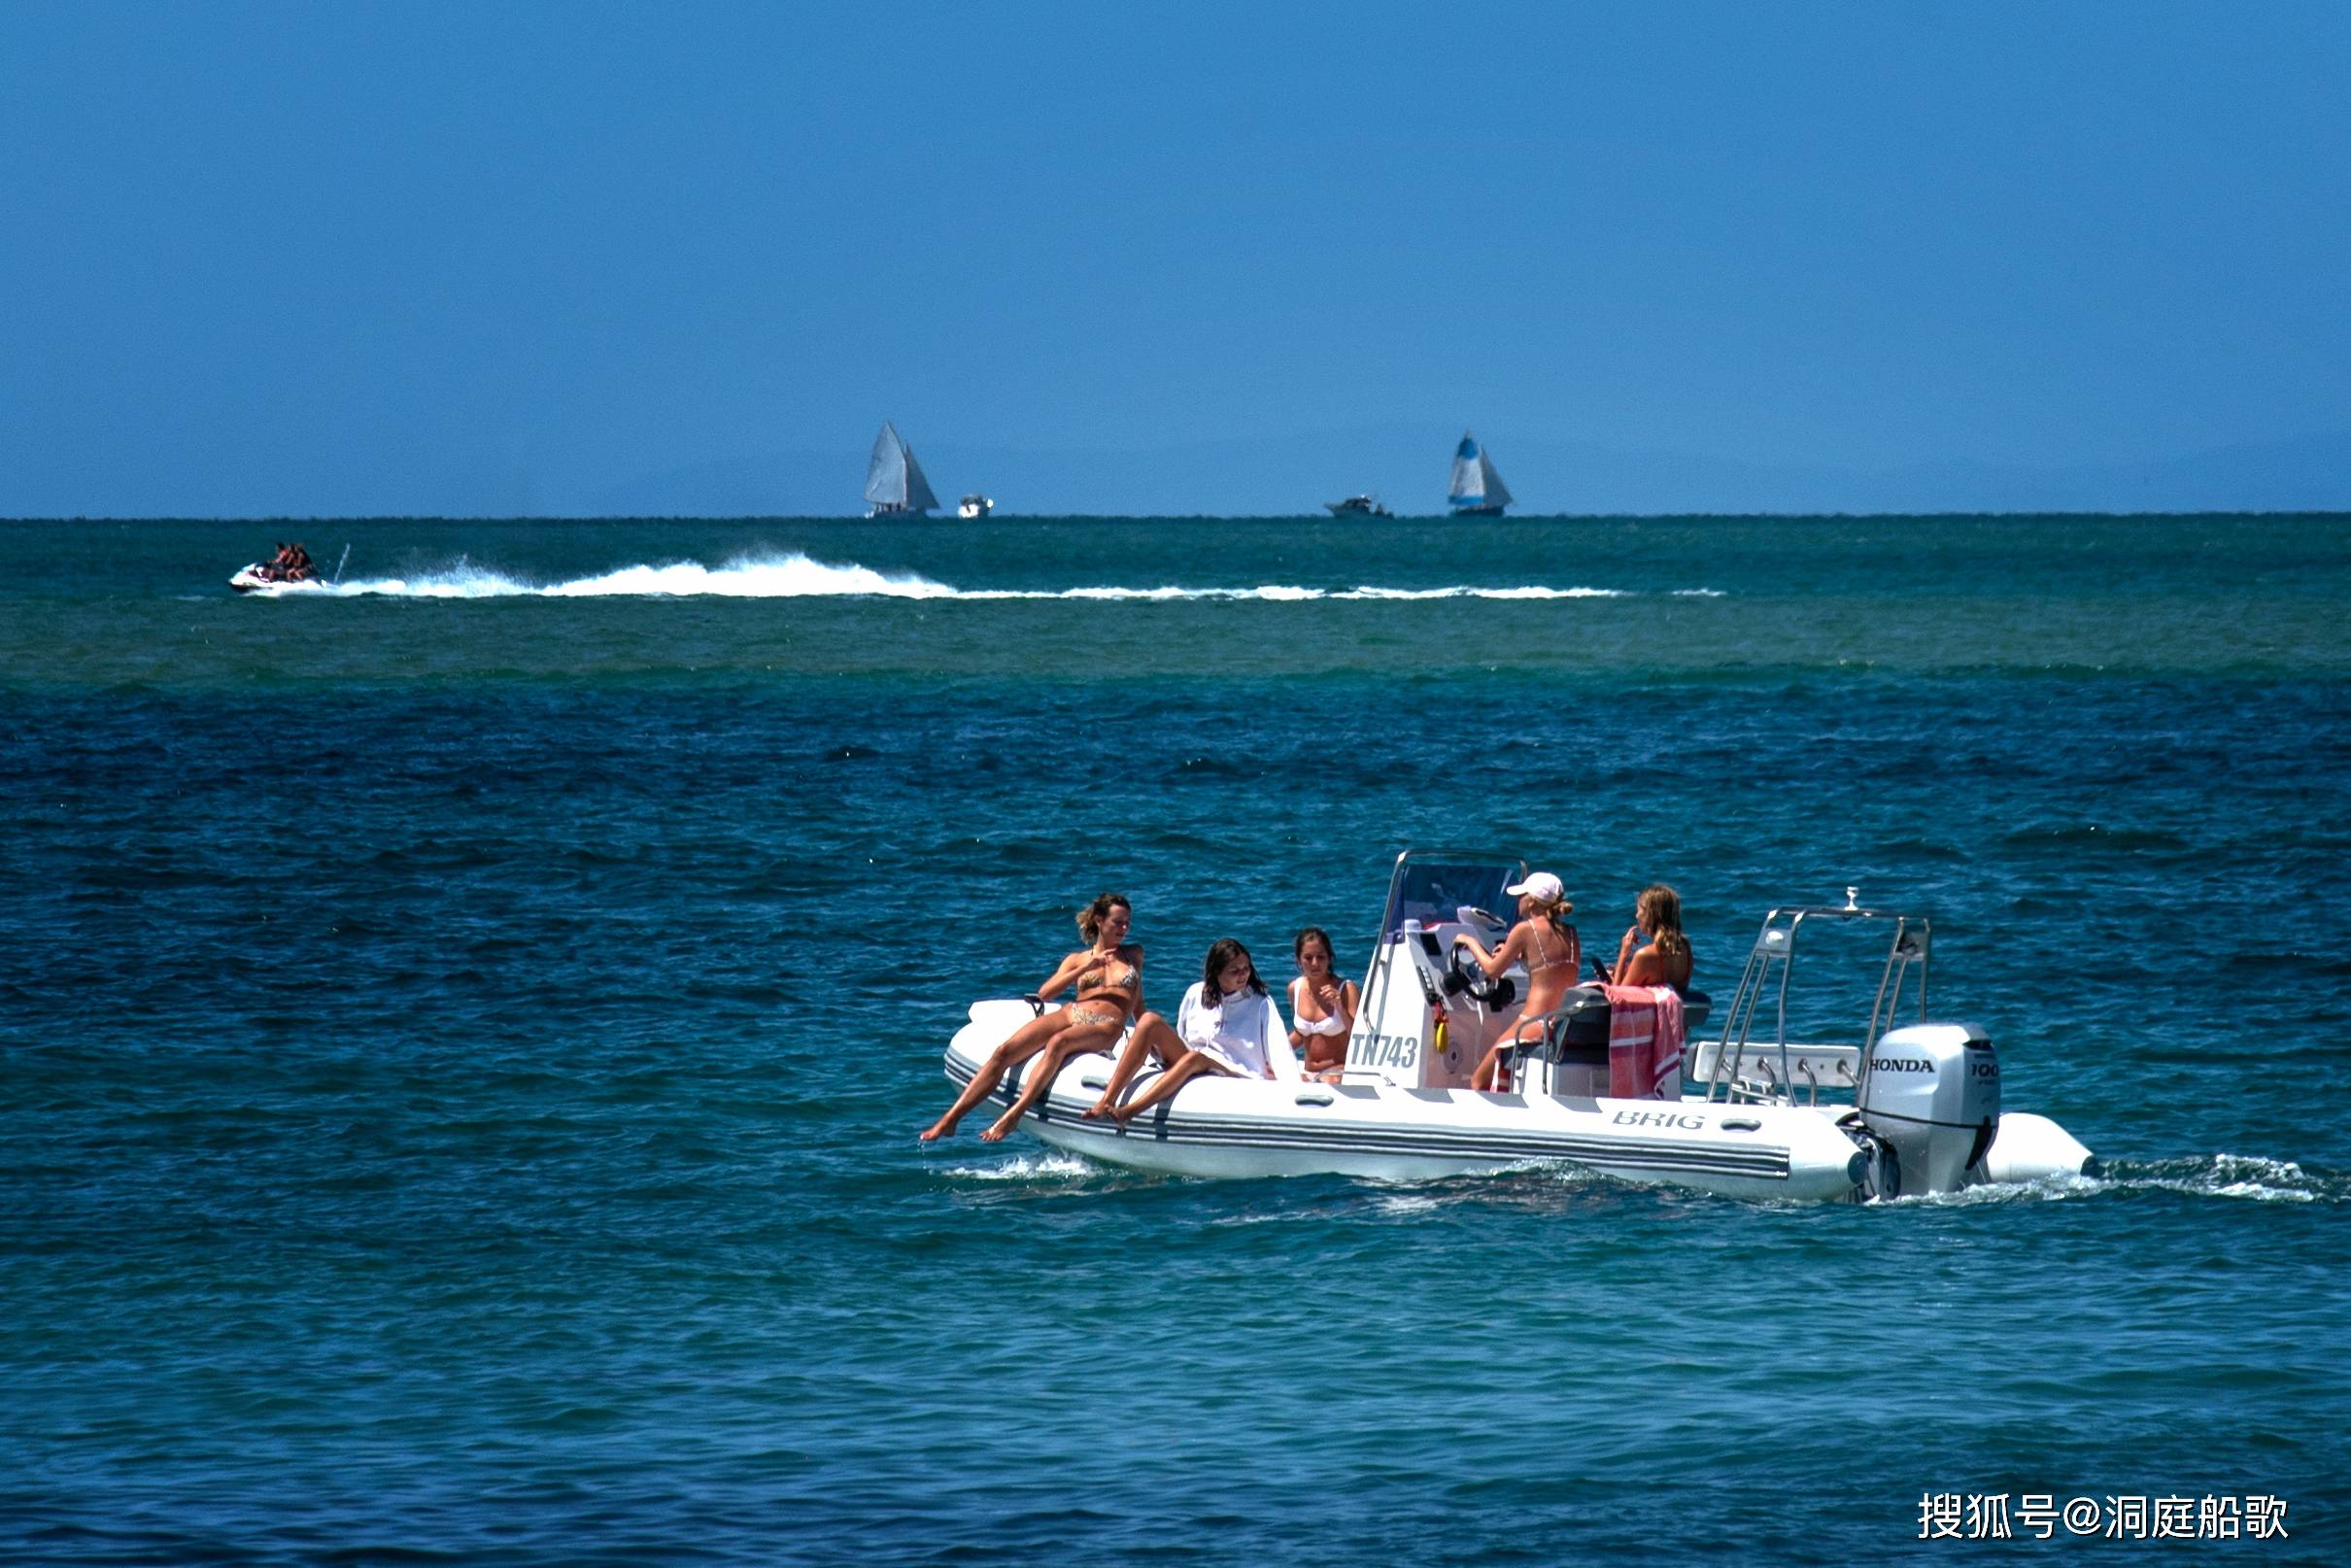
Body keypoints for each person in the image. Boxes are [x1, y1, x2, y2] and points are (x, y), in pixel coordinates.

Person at [920, 893, 1142, 1142]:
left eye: (1127, 923)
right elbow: (1045, 993)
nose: (1124, 928)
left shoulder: (1133, 955)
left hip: (1106, 1025)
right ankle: (950, 1120)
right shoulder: (1076, 959)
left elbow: (1137, 1001)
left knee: (1059, 1042)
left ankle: (1014, 1115)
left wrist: (1145, 1038)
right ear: (1099, 921)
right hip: (1071, 1012)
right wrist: (1086, 968)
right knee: (1004, 1051)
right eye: (1118, 922)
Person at [1096, 938, 1295, 1123]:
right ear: (1217, 973)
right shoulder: (1196, 993)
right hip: (1192, 1060)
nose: (1243, 974)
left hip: (1234, 1072)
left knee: (1195, 1058)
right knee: (1149, 1020)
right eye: (1234, 971)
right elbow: (1183, 1036)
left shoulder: (1260, 1003)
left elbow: (1279, 1049)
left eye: (1246, 968)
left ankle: (1130, 1112)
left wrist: (1293, 1089)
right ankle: (1107, 1099)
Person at [1450, 870, 1580, 1091]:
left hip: (1532, 1021)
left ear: (1532, 903)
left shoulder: (1523, 930)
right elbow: (1552, 965)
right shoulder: (1570, 933)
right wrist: (1519, 955)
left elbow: (1492, 971)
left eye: (1522, 896)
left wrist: (1470, 942)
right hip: (1558, 1022)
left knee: (1478, 1081)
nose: (1518, 901)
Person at [1286, 926, 1356, 1082]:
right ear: (1298, 960)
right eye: (1308, 957)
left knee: (1328, 1081)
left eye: (1321, 957)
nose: (1315, 963)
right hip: (1308, 1071)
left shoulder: (1346, 989)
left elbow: (1358, 1036)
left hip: (1338, 1072)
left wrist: (1340, 1007)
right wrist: (1274, 1052)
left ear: (1329, 958)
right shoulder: (1294, 988)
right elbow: (1302, 1032)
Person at [1612, 884, 1694, 991]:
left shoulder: (1645, 955)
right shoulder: (1685, 947)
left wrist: (1623, 955)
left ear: (1650, 914)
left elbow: (1617, 997)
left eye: (1639, 910)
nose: (1636, 916)